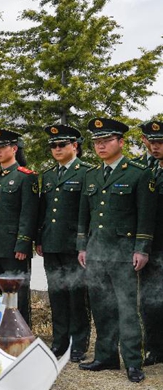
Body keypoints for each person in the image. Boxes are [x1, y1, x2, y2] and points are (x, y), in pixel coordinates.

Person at [77, 118, 156, 383]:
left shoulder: (138, 173)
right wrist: (82, 247)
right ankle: (105, 356)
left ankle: (133, 361)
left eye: (106, 140)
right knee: (101, 307)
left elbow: (146, 216)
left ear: (121, 142)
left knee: (126, 308)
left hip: (124, 253)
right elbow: (83, 216)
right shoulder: (91, 174)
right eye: (96, 142)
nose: (100, 146)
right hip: (97, 252)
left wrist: (142, 249)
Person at [35, 125, 91, 362]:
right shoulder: (48, 175)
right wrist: (39, 239)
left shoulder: (86, 172)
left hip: (74, 245)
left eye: (62, 145)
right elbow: (43, 211)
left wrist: (84, 244)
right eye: (53, 146)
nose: (56, 149)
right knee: (56, 293)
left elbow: (88, 212)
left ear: (74, 146)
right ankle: (60, 341)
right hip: (51, 242)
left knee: (77, 295)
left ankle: (79, 344)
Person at [0, 128, 38, 326]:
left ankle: (20, 333)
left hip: (14, 247)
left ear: (14, 148)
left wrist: (23, 244)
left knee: (18, 294)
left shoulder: (25, 177)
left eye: (2, 147)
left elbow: (28, 213)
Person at [136, 120, 163, 366]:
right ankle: (154, 348)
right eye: (152, 142)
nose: (156, 147)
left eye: (160, 142)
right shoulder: (145, 168)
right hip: (151, 246)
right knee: (149, 300)